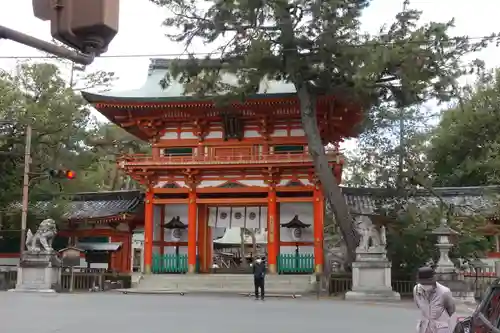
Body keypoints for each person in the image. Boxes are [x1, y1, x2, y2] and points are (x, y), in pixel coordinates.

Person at [413, 267, 456, 333]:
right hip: (424, 327)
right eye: (423, 283)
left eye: (427, 282)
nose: (425, 285)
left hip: (440, 328)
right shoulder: (416, 290)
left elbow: (451, 310)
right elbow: (418, 305)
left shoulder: (444, 291)